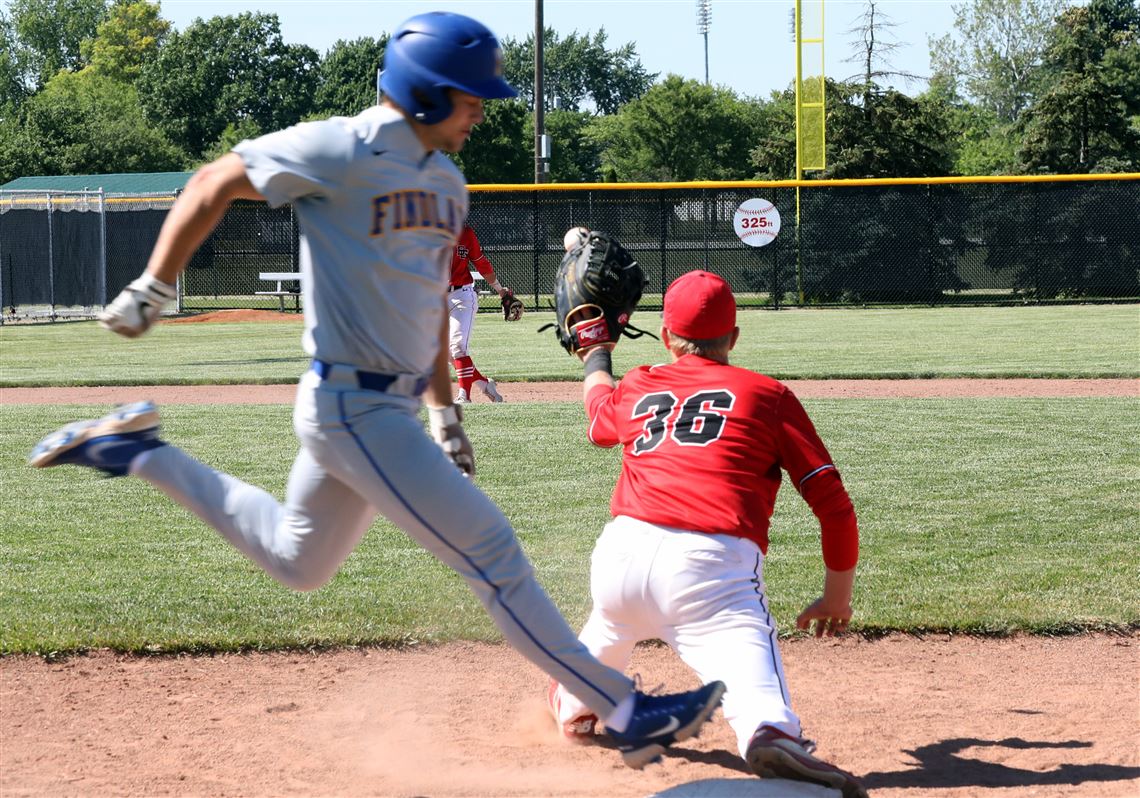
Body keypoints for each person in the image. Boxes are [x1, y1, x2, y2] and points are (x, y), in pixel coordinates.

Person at [27, 13, 724, 770]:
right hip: (349, 404)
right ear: (426, 93)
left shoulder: (447, 183)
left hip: (386, 406)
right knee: (491, 550)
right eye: (471, 97)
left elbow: (425, 302)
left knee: (300, 561)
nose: (481, 111)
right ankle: (623, 706)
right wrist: (155, 284)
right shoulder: (340, 148)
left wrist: (443, 412)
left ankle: (137, 451)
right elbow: (215, 181)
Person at [547, 268, 869, 797]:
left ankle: (575, 699)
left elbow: (597, 417)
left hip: (619, 561)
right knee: (759, 702)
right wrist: (837, 599)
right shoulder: (767, 395)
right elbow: (834, 509)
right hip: (710, 571)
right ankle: (770, 729)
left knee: (607, 632)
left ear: (667, 337)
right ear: (734, 339)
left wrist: (595, 354)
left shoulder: (642, 382)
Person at [448, 224, 506, 403]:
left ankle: (464, 396)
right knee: (446, 354)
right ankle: (485, 386)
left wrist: (499, 289)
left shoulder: (465, 233)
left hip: (461, 295)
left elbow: (481, 262)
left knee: (458, 346)